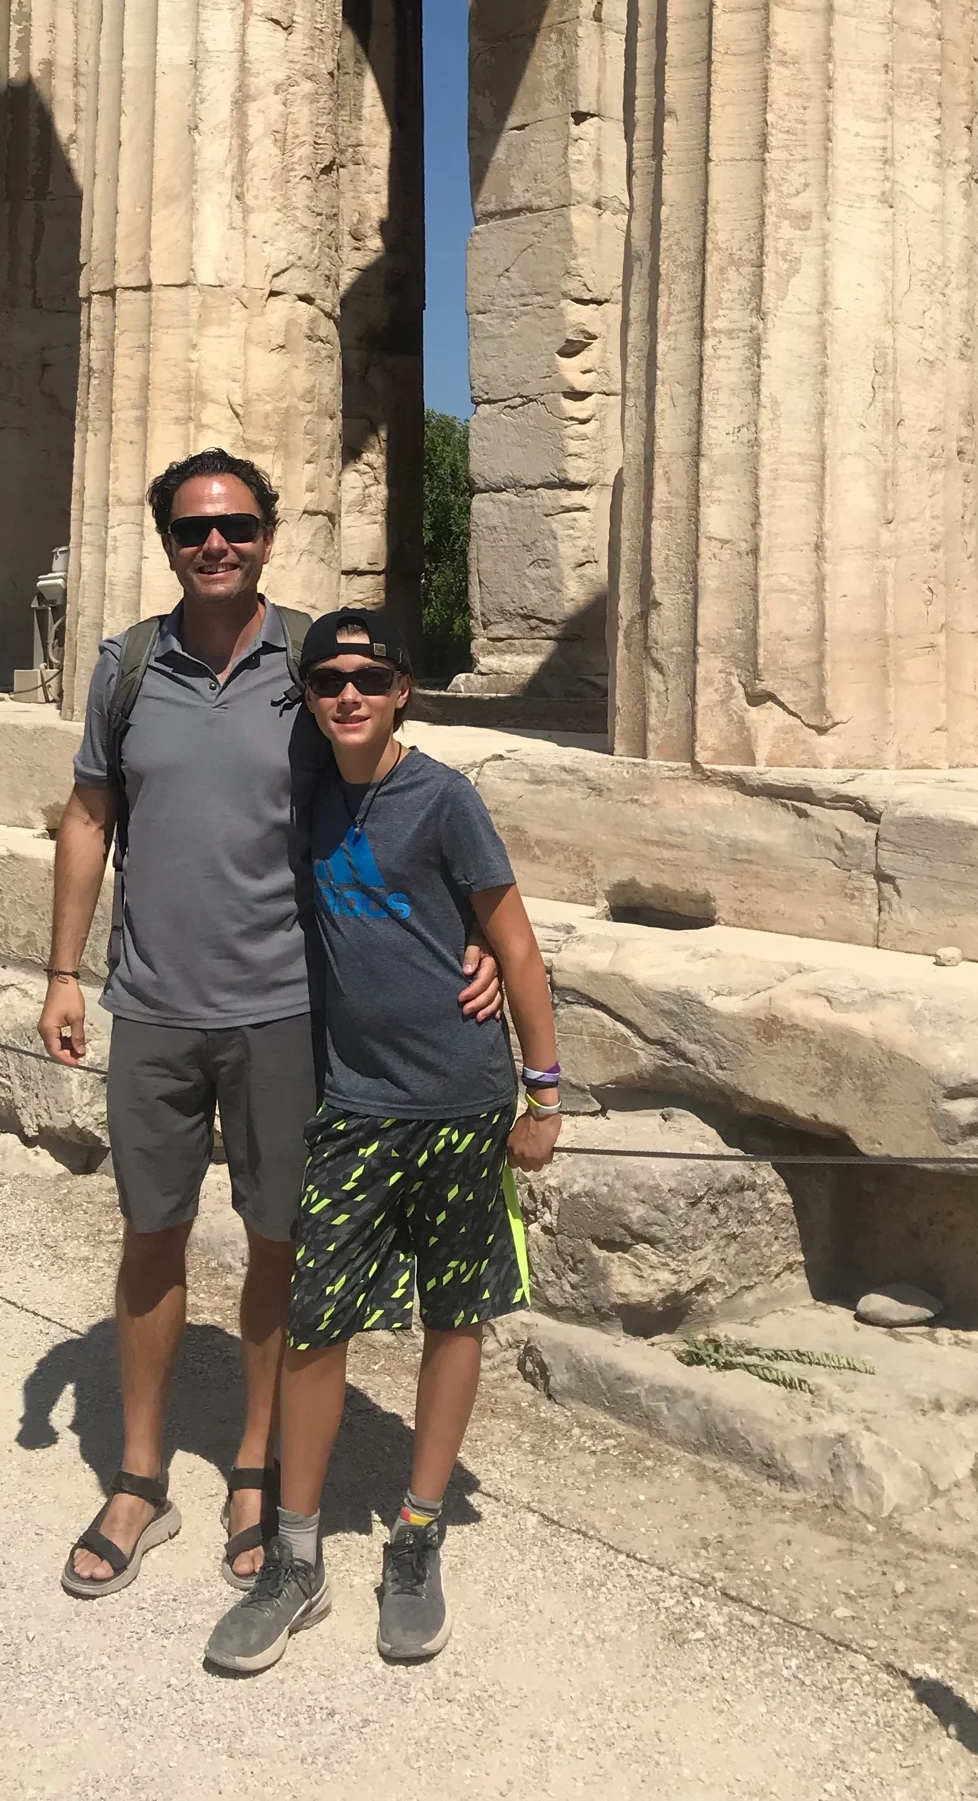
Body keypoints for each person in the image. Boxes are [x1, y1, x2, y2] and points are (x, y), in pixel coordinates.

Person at [37, 454, 501, 1598]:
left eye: (237, 526)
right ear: (167, 541)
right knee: (150, 1235)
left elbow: (386, 788)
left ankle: (254, 1466)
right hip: (153, 1002)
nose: (217, 545)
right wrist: (60, 971)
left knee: (276, 1243)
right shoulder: (126, 667)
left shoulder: (308, 663)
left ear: (267, 536)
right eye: (196, 529)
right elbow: (90, 814)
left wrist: (473, 930)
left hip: (287, 1008)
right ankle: (139, 1475)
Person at [203, 607, 562, 1675]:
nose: (348, 694)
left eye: (369, 677)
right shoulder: (308, 793)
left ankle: (416, 1530)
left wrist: (544, 1095)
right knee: (318, 1322)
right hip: (354, 1103)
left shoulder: (444, 797)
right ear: (309, 699)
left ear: (404, 689)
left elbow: (516, 945)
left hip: (459, 1099)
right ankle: (296, 1554)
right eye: (328, 681)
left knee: (455, 1314)